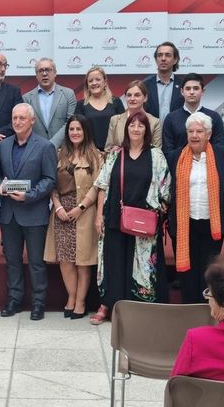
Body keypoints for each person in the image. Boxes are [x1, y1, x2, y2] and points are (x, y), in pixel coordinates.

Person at [91, 112, 170, 324]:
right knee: (113, 261)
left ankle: (140, 306)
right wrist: (99, 216)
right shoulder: (116, 154)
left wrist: (159, 210)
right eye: (132, 125)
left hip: (145, 220)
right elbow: (102, 186)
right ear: (126, 129)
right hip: (116, 217)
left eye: (140, 126)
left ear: (147, 130)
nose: (136, 129)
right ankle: (108, 305)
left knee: (142, 265)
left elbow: (165, 189)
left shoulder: (156, 155)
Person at [0, 103, 57, 321]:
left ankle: (38, 303)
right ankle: (14, 300)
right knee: (12, 260)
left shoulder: (45, 146)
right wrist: (0, 187)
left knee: (36, 262)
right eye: (14, 118)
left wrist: (29, 195)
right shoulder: (3, 146)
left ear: (32, 121)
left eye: (22, 118)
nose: (17, 122)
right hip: (9, 214)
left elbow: (50, 179)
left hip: (34, 213)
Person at [166, 112, 224, 304]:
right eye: (191, 131)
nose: (195, 135)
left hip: (212, 222)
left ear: (209, 134)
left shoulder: (222, 154)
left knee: (209, 267)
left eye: (199, 131)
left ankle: (209, 305)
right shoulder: (175, 156)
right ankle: (189, 306)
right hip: (184, 222)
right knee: (187, 270)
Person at [45, 115, 102, 319]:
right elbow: (50, 183)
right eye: (71, 129)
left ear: (85, 131)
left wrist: (81, 207)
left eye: (79, 129)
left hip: (84, 213)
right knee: (65, 259)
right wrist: (58, 206)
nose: (75, 133)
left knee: (83, 261)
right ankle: (71, 296)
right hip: (61, 214)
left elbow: (98, 186)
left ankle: (81, 301)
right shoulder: (59, 155)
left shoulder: (96, 156)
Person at [161, 73, 224, 155]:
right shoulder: (171, 118)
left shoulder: (214, 117)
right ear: (182, 91)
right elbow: (167, 151)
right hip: (178, 165)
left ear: (203, 91)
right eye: (188, 89)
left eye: (196, 88)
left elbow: (219, 148)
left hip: (208, 165)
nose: (191, 92)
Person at [22, 57, 77, 147]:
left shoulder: (68, 94)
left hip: (63, 150)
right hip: (36, 149)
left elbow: (70, 122)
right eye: (40, 71)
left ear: (55, 73)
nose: (44, 74)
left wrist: (52, 144)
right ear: (36, 75)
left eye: (48, 70)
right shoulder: (27, 98)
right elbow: (26, 126)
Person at [74, 67, 125, 150]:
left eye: (98, 79)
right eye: (90, 81)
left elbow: (124, 126)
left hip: (114, 152)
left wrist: (119, 146)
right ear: (87, 85)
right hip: (89, 153)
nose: (94, 83)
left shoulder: (116, 101)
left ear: (105, 82)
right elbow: (78, 130)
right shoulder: (81, 105)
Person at [106, 80, 162, 150]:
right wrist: (114, 151)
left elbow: (157, 152)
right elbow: (107, 149)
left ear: (145, 98)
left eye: (137, 95)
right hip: (120, 160)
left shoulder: (155, 122)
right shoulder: (115, 120)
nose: (132, 99)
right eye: (129, 95)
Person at [140, 42, 184, 124]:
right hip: (151, 134)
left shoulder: (183, 86)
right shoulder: (144, 86)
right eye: (160, 55)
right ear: (156, 60)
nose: (163, 58)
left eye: (167, 55)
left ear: (175, 60)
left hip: (176, 135)